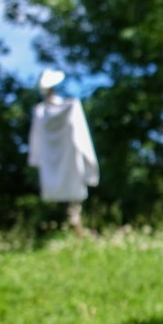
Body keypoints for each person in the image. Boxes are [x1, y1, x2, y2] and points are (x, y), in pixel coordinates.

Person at [27, 69, 99, 235]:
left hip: (53, 163)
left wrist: (36, 159)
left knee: (65, 196)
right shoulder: (70, 107)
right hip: (71, 160)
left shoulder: (41, 112)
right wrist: (90, 165)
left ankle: (72, 229)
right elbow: (83, 137)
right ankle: (75, 229)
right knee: (73, 197)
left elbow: (35, 141)